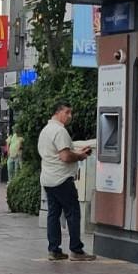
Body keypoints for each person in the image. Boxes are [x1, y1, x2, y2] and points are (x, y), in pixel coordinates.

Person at [38, 102, 95, 261]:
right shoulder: (60, 131)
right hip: (62, 178)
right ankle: (76, 250)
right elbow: (65, 156)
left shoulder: (46, 130)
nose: (70, 116)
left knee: (53, 214)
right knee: (73, 212)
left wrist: (76, 151)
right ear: (58, 112)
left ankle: (54, 250)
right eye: (67, 112)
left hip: (48, 179)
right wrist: (80, 156)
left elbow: (56, 153)